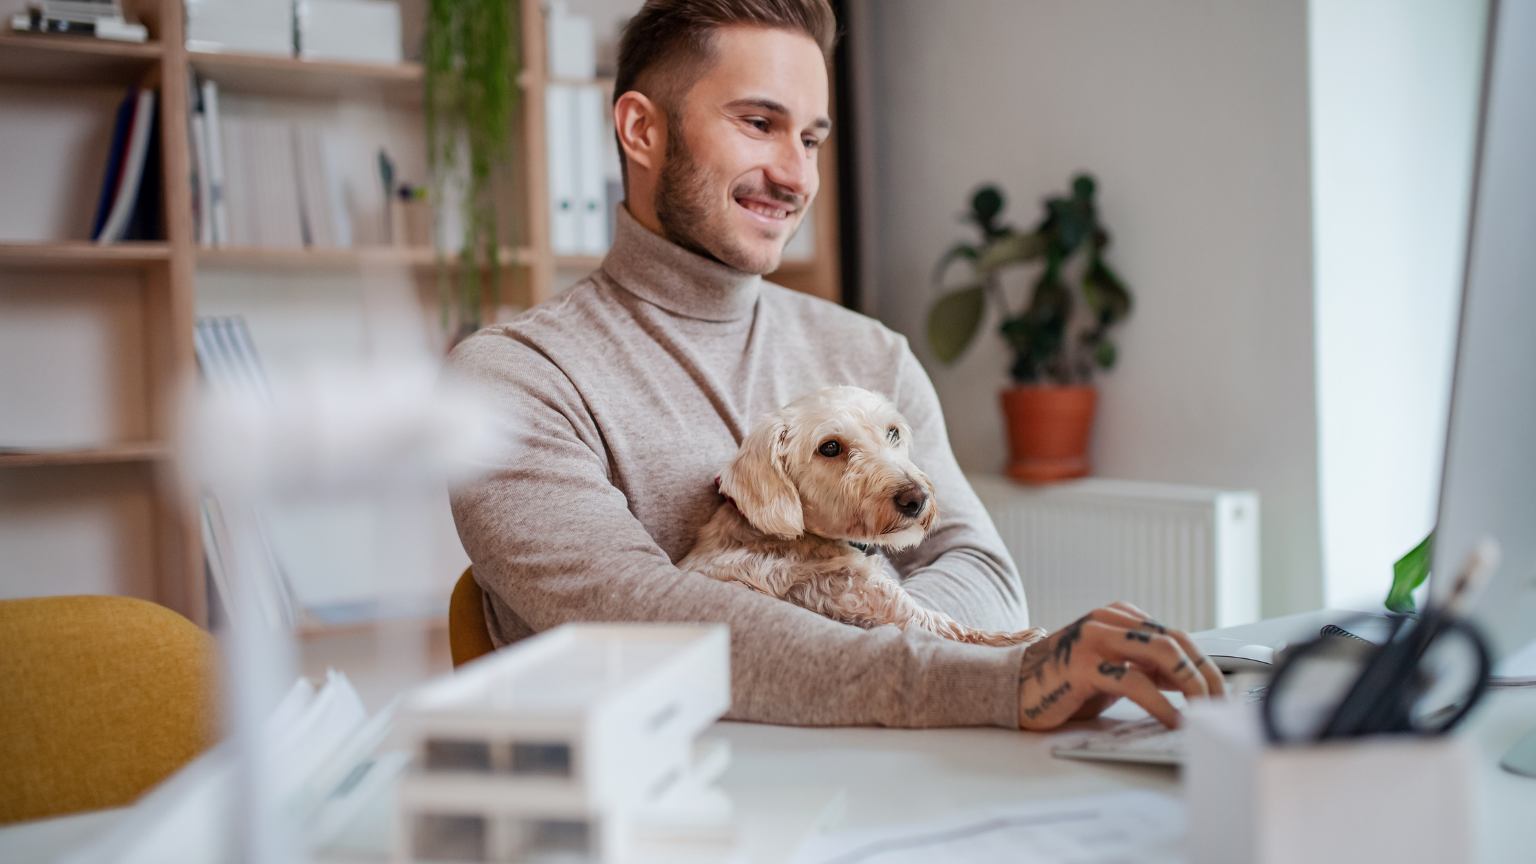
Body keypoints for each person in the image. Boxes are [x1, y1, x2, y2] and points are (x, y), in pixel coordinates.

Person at [445, 0, 1224, 731]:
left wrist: (881, 649)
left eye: (812, 139)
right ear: (642, 131)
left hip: (901, 775)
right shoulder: (515, 383)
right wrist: (990, 679)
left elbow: (980, 569)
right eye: (759, 123)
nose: (798, 177)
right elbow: (651, 626)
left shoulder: (872, 355)